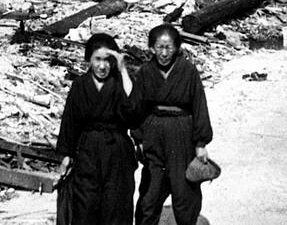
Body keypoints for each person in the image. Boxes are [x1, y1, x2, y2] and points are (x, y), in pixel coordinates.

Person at [133, 24, 213, 225]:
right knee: (149, 196)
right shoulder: (145, 72)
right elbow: (137, 107)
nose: (164, 53)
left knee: (184, 193)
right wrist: (139, 138)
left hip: (182, 134)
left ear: (177, 48)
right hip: (154, 133)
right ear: (151, 48)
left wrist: (201, 144)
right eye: (159, 47)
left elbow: (199, 106)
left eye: (169, 47)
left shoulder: (188, 71)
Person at [56, 33, 138, 225]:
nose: (102, 66)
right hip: (88, 152)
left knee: (116, 206)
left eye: (108, 60)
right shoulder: (80, 86)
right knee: (85, 205)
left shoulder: (121, 83)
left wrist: (123, 70)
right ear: (88, 60)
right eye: (97, 60)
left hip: (117, 152)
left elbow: (134, 109)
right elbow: (70, 120)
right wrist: (66, 155)